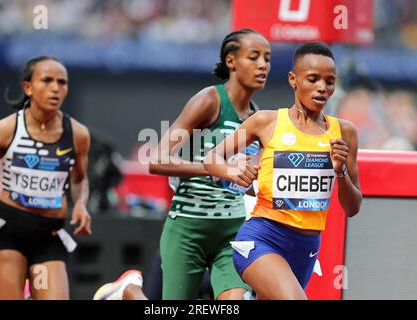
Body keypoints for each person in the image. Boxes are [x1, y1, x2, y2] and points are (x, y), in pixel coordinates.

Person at [204, 42, 362, 300]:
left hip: (306, 248)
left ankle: (128, 292)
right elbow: (213, 157)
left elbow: (353, 207)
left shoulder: (345, 133)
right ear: (293, 79)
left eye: (330, 81)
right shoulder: (267, 122)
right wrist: (232, 172)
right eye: (313, 79)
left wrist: (340, 173)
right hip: (262, 237)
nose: (322, 88)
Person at [145, 28, 270, 300]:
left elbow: (246, 183)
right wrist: (217, 168)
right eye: (254, 57)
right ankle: (129, 292)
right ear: (231, 61)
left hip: (233, 230)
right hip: (188, 228)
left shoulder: (257, 117)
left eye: (267, 58)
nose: (263, 65)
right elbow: (157, 160)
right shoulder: (209, 101)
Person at [0, 56, 92, 300]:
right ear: (28, 87)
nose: (55, 88)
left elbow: (79, 180)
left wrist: (80, 204)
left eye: (62, 82)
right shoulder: (7, 129)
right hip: (10, 230)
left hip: (49, 235)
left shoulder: (77, 134)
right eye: (47, 80)